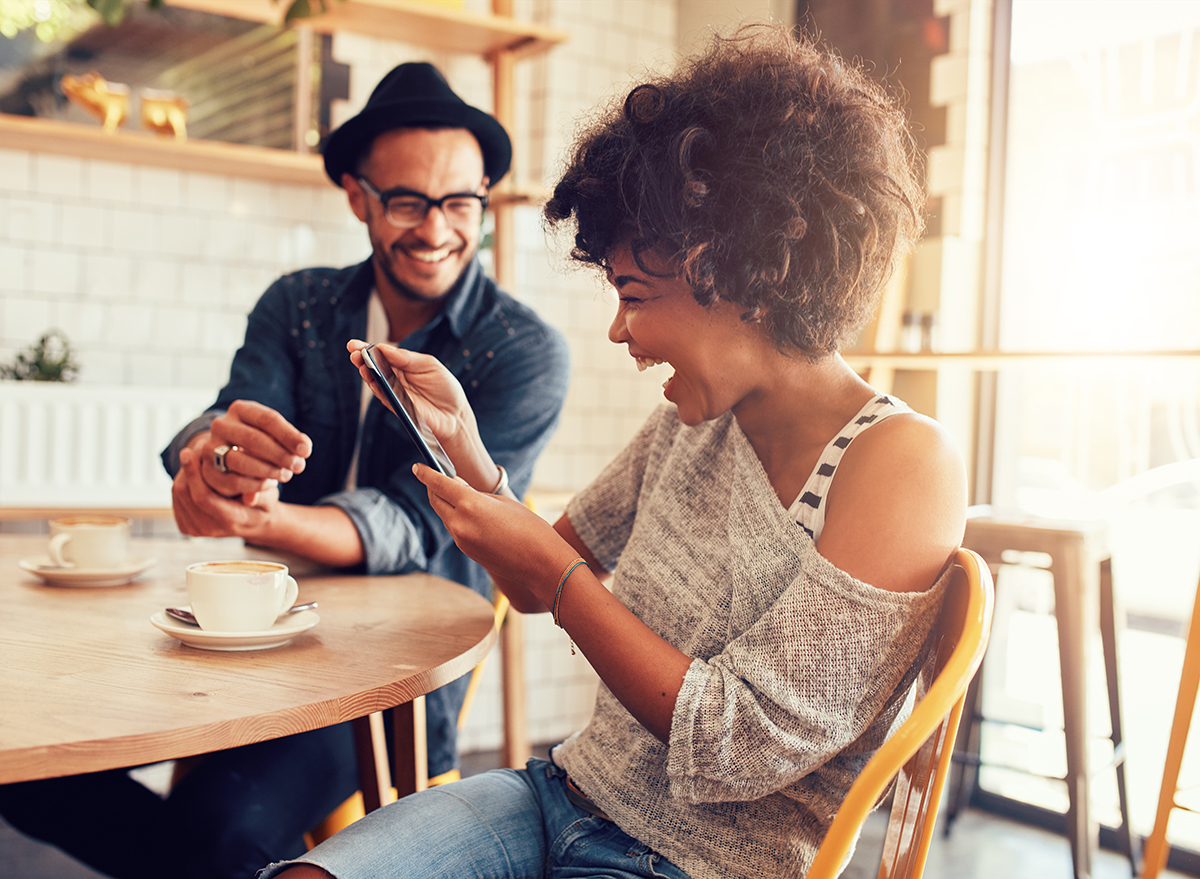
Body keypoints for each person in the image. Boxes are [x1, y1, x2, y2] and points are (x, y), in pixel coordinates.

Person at [261, 24, 967, 879]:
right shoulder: (694, 419)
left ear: (729, 273)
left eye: (633, 294)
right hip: (560, 794)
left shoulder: (900, 464)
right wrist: (469, 453)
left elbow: (736, 744)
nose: (620, 330)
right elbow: (531, 580)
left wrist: (565, 584)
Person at [0, 62, 569, 879]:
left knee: (216, 830)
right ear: (357, 196)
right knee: (30, 768)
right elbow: (226, 419)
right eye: (408, 201)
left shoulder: (523, 349)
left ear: (483, 198)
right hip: (243, 632)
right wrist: (213, 461)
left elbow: (410, 526)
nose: (438, 228)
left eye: (461, 203)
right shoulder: (298, 303)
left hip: (394, 668)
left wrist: (258, 520)